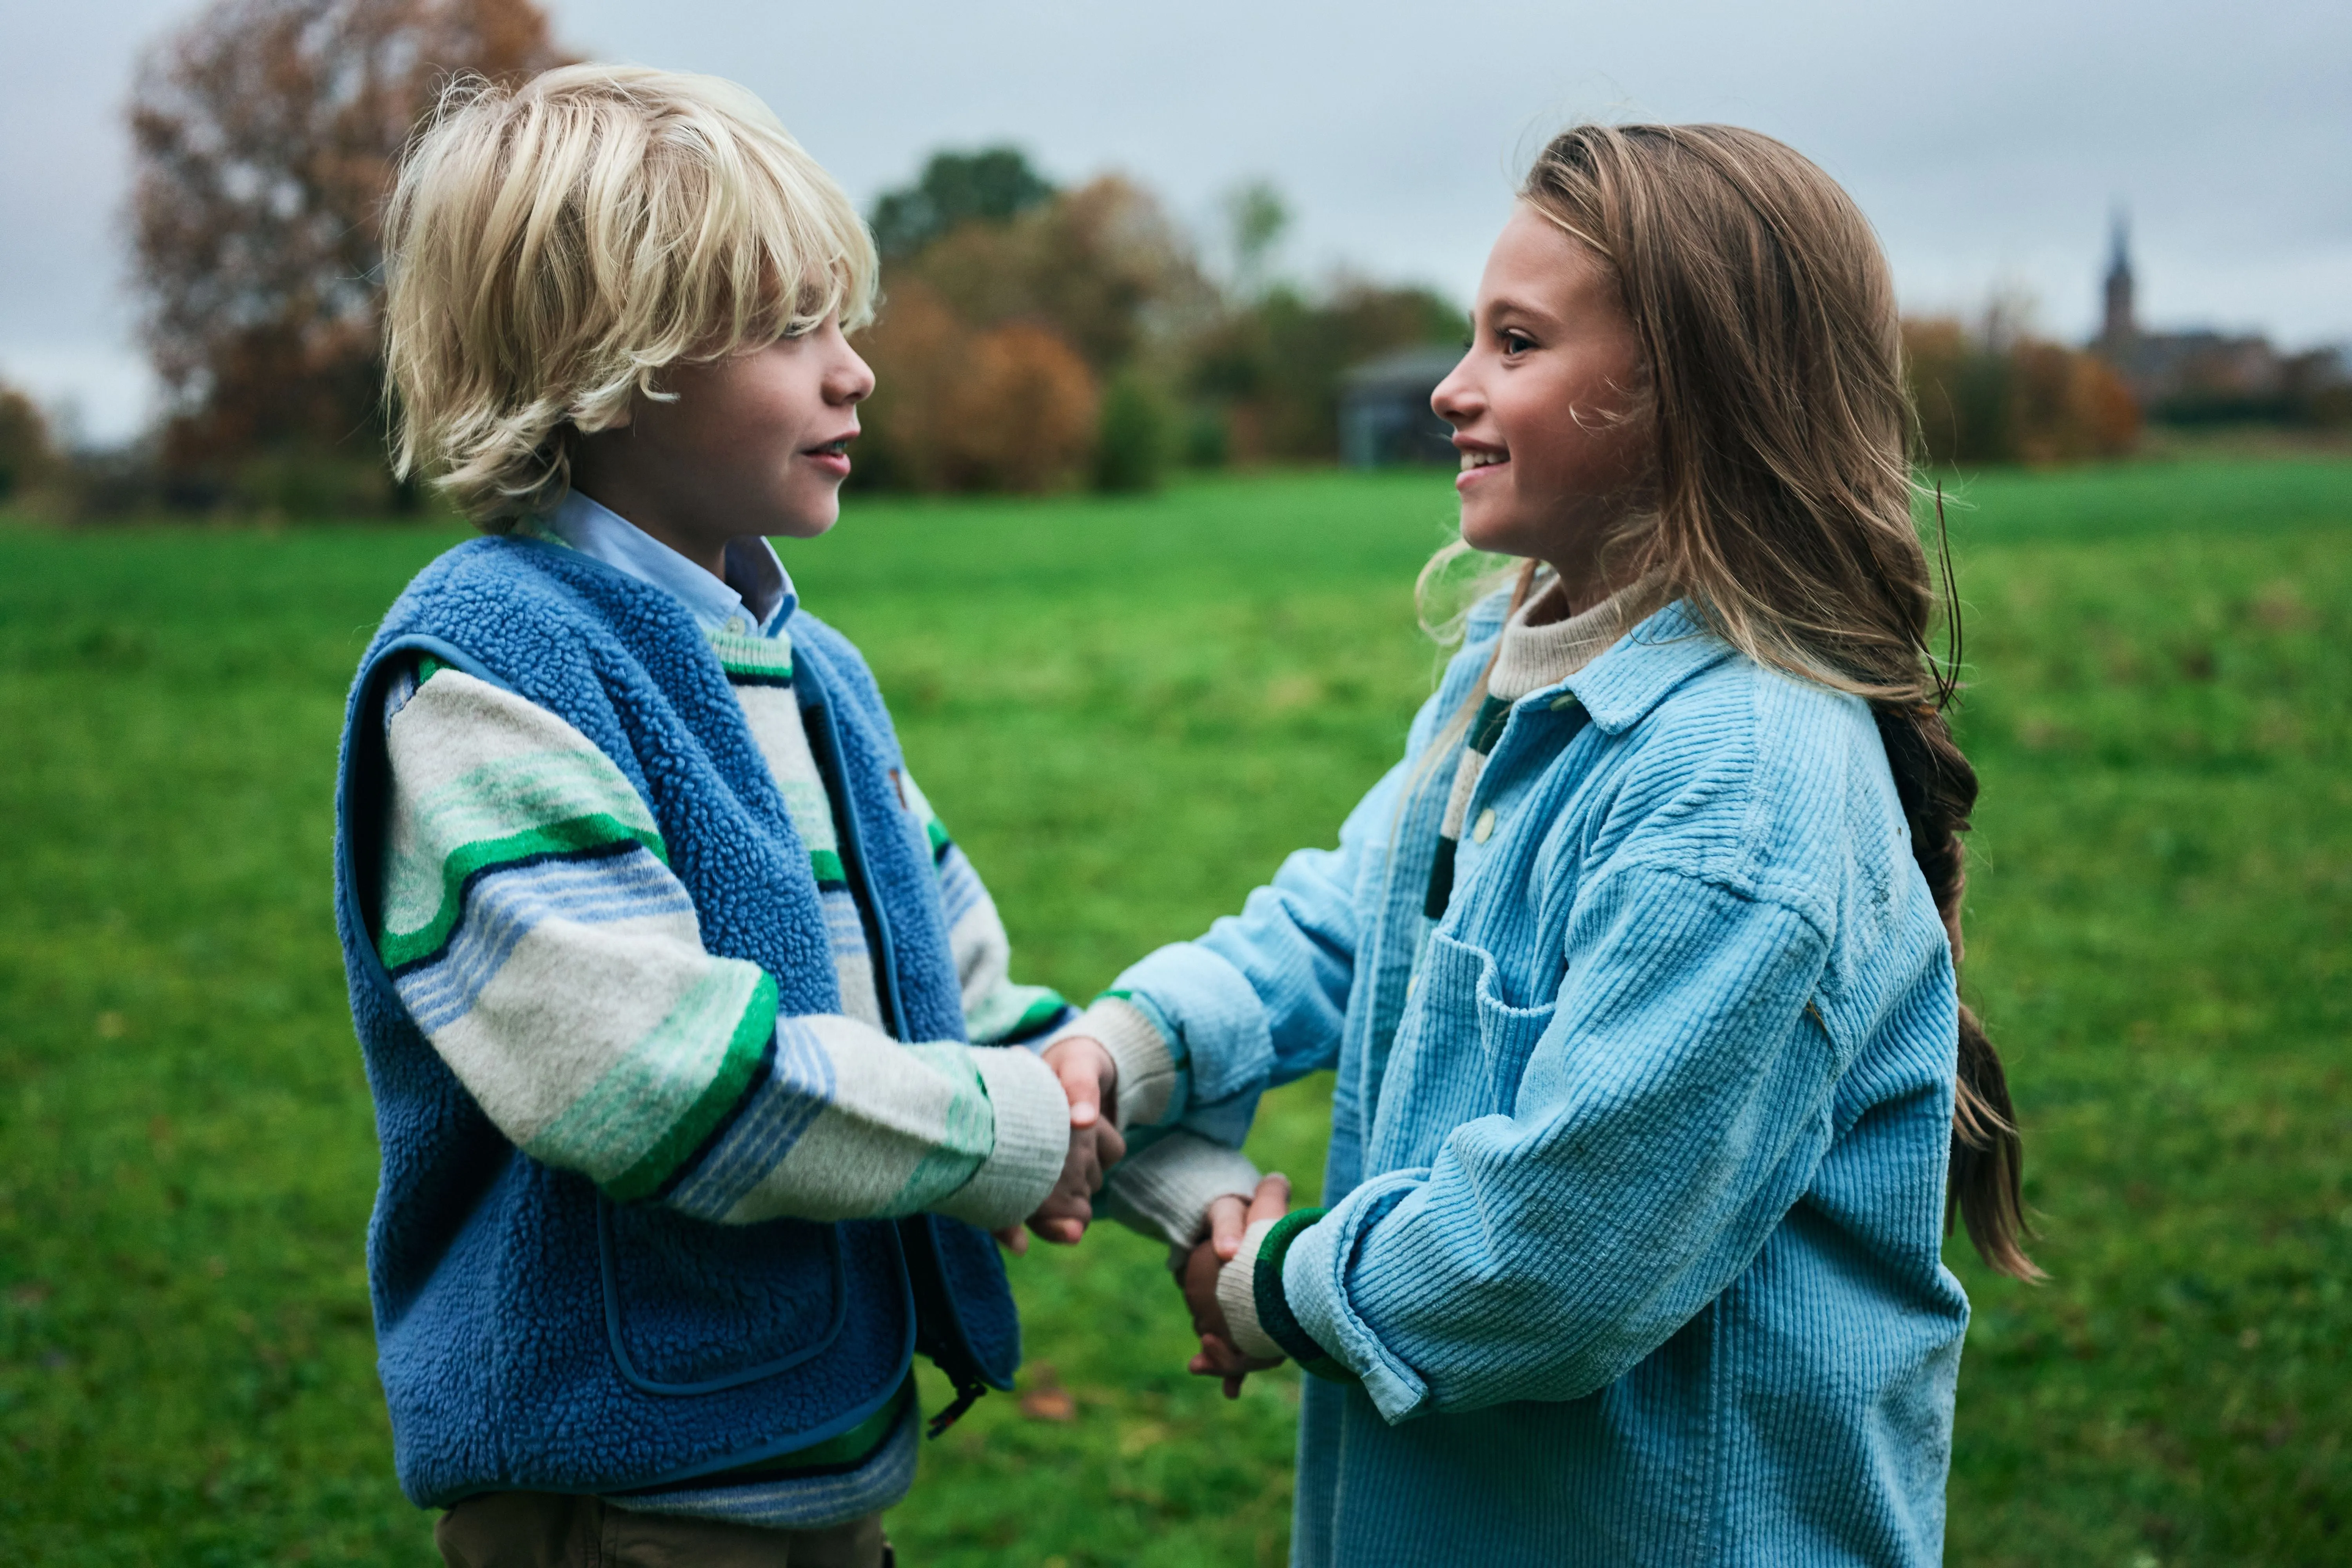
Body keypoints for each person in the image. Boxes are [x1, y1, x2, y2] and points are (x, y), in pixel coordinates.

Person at [1043, 123, 2038, 1566]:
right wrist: (1135, 1045)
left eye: (1517, 344)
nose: (1453, 389)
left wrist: (1279, 1283)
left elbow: (1555, 1253)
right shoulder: (1519, 657)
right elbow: (1358, 914)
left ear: (1690, 400)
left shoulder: (1738, 789)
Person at [332, 65, 1132, 1568]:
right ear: (605, 362)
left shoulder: (814, 672)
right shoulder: (487, 675)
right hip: (622, 1511)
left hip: (836, 1480)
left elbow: (972, 1011)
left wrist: (1182, 1177)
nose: (856, 374)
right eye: (789, 329)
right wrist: (1015, 1135)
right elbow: (651, 1082)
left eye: (846, 321)